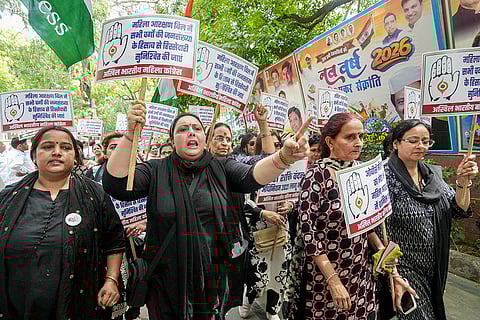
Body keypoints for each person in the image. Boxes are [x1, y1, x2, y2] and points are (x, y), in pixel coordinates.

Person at [102, 101, 311, 320]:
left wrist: (283, 158)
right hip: (167, 280)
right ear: (172, 140)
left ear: (204, 138)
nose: (191, 132)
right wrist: (130, 134)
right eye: (183, 129)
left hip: (213, 279)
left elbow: (252, 177)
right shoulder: (156, 170)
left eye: (197, 128)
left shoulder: (222, 166)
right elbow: (116, 184)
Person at [286, 113, 409, 320]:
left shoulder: (360, 172)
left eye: (360, 136)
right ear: (330, 142)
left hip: (361, 272)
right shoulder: (316, 176)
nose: (358, 143)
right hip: (324, 276)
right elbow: (308, 233)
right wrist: (332, 280)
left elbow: (368, 223)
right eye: (350, 137)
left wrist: (388, 264)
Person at [0, 126, 125, 319]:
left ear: (75, 157)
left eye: (66, 148)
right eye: (48, 146)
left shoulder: (95, 195)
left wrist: (111, 280)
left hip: (77, 302)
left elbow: (114, 241)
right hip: (17, 304)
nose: (57, 152)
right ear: (34, 156)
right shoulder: (8, 197)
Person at [383, 119, 477, 319]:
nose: (421, 146)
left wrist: (463, 181)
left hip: (433, 266)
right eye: (413, 140)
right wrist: (393, 271)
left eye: (426, 141)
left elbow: (458, 209)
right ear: (396, 143)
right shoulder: (383, 177)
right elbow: (373, 227)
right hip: (402, 266)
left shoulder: (432, 175)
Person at [239, 132, 289, 320]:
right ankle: (248, 298)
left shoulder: (289, 169)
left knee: (279, 273)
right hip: (258, 232)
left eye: (278, 144)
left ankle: (273, 309)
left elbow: (297, 195)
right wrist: (262, 213)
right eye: (271, 144)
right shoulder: (250, 170)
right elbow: (243, 201)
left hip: (282, 230)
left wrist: (289, 205)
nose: (275, 148)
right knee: (258, 276)